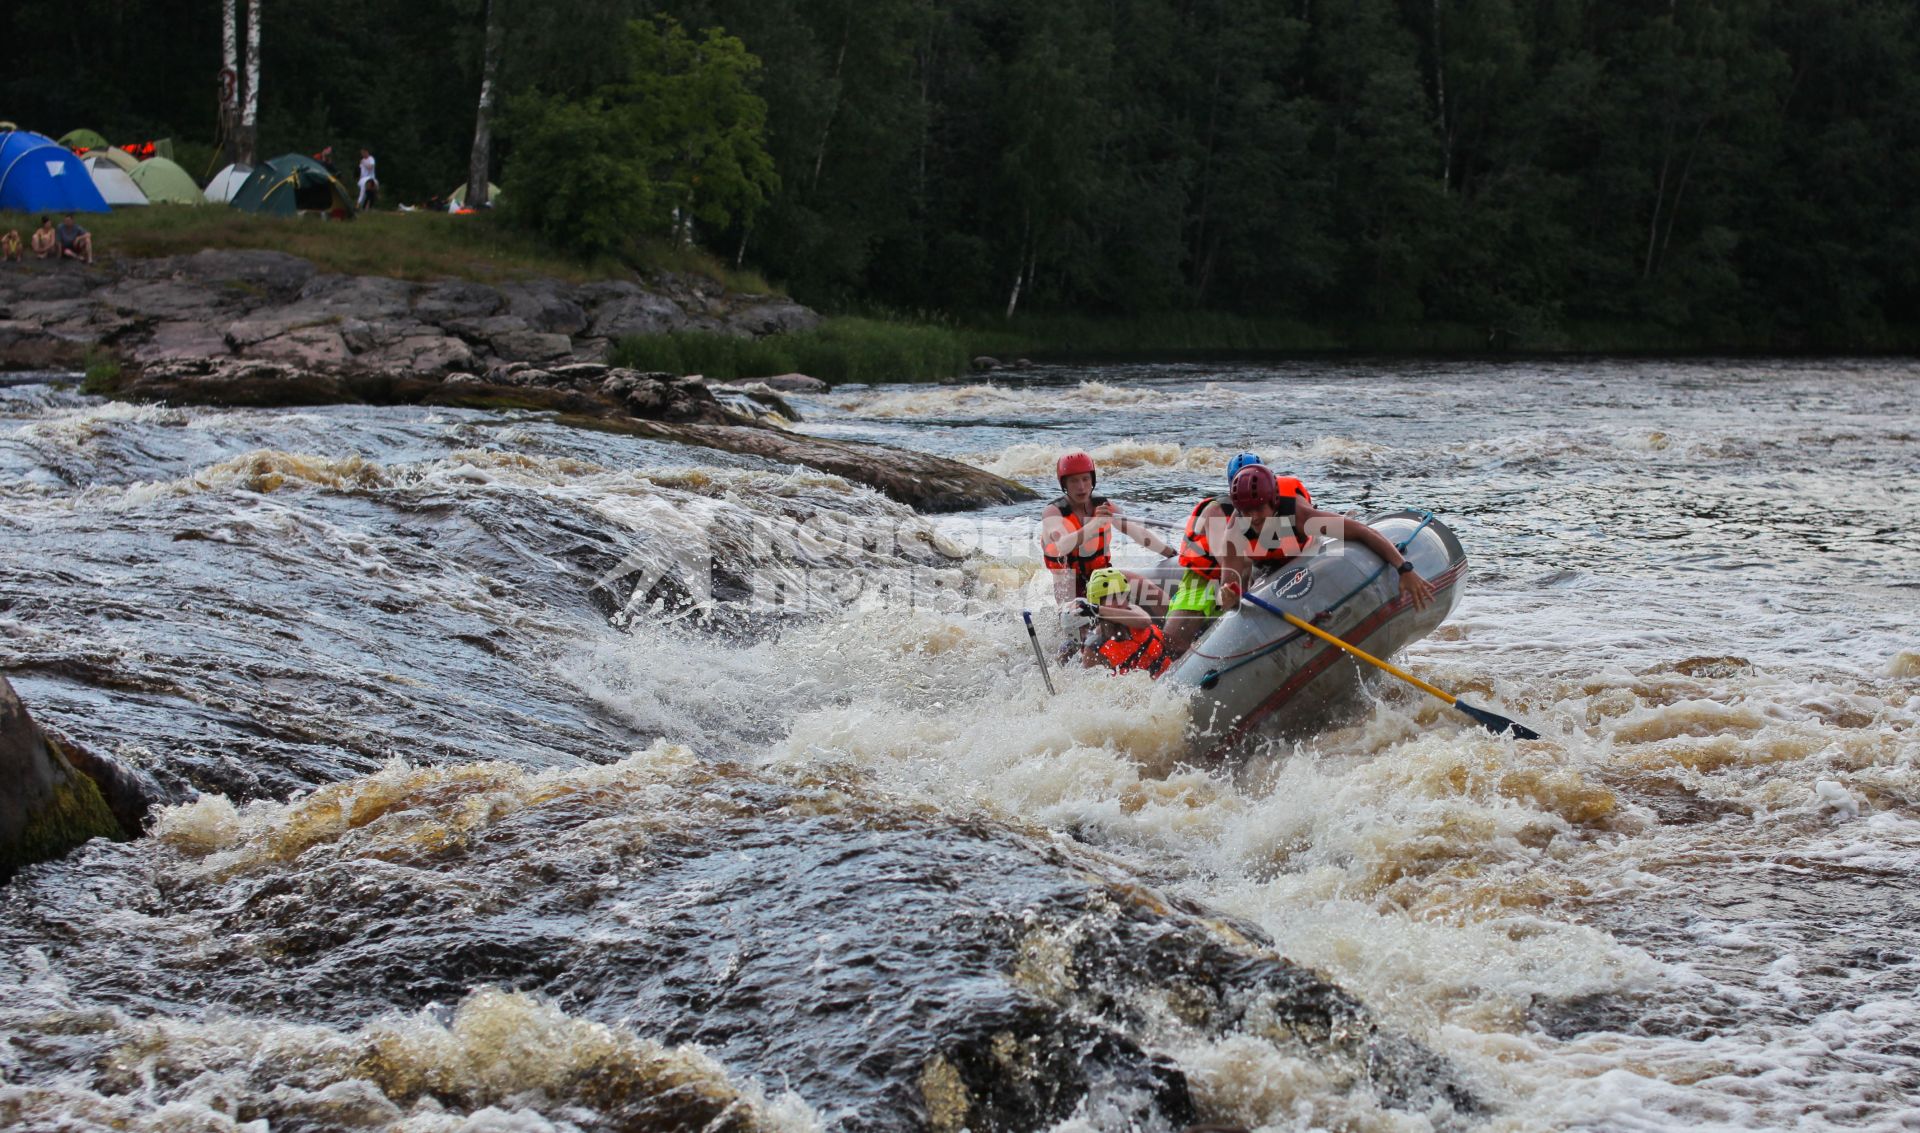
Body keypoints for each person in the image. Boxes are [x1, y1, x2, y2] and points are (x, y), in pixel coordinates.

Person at [1163, 463, 1436, 658]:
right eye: (1246, 511)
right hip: (1265, 563)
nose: (1254, 517)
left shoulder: (1302, 517)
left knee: (1308, 585)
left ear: (1272, 501)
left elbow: (1363, 532)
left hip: (1304, 552)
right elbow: (1230, 593)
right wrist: (1229, 599)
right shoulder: (1235, 534)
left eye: (1259, 509)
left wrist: (1404, 568)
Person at [1040, 450, 1175, 605]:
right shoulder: (1053, 512)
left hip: (1101, 574)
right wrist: (1095, 524)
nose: (1081, 487)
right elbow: (1062, 546)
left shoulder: (1102, 505)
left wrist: (1169, 552)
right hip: (1069, 584)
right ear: (1064, 484)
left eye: (1085, 479)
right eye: (1074, 481)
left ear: (1093, 480)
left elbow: (1136, 531)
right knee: (1090, 616)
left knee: (1154, 593)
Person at [1065, 568, 1171, 678]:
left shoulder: (1133, 610)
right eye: (1113, 598)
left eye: (1123, 596)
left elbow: (1145, 621)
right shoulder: (1093, 647)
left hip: (1172, 673)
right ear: (1098, 602)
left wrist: (1097, 610)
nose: (1120, 603)